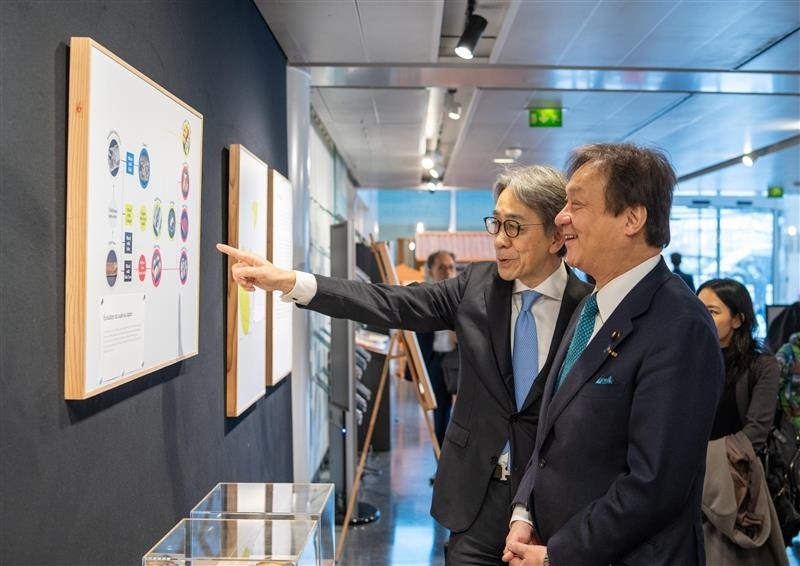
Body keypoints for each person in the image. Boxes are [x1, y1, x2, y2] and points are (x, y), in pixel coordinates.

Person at [218, 164, 592, 565]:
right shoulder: (476, 288)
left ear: (557, 235)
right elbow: (390, 301)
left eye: (514, 227)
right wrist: (291, 281)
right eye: (495, 224)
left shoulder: (588, 309)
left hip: (549, 507)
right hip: (474, 502)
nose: (499, 240)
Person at [504, 143, 724, 566]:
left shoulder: (680, 325)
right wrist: (524, 511)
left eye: (577, 204)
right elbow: (552, 434)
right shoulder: (592, 306)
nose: (561, 217)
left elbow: (653, 486)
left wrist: (556, 556)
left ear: (632, 218)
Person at [697, 278, 787, 565]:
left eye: (712, 311)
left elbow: (756, 432)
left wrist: (704, 461)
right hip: (690, 482)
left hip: (738, 481)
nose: (702, 317)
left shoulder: (762, 364)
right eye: (698, 308)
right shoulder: (690, 358)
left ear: (738, 319)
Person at [417, 250, 459, 451]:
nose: (447, 272)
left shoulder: (463, 297)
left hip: (459, 361)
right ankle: (441, 465)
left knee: (462, 417)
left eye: (451, 267)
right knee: (439, 415)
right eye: (441, 268)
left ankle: (456, 468)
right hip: (434, 362)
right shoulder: (424, 299)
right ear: (431, 271)